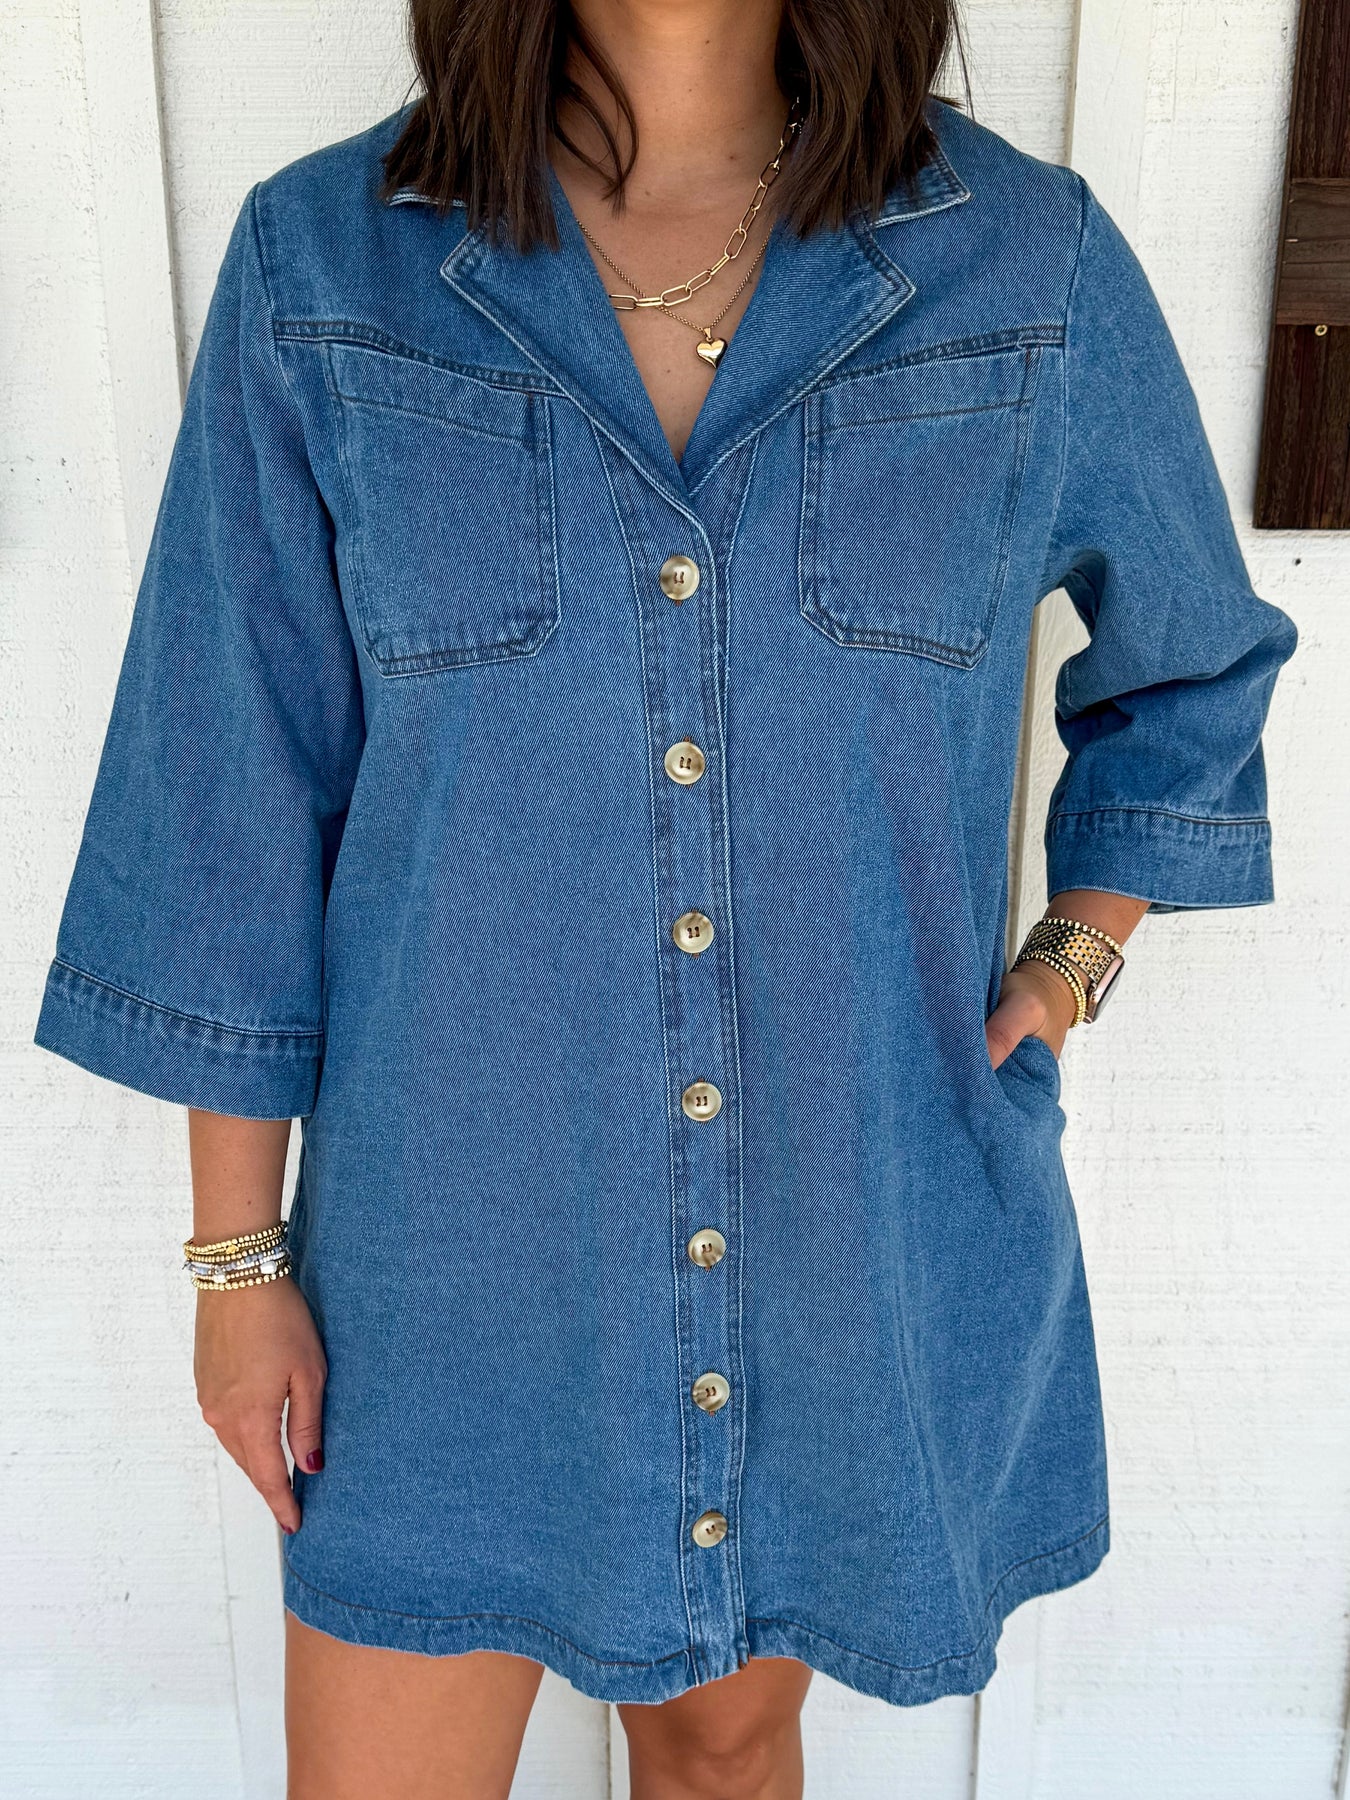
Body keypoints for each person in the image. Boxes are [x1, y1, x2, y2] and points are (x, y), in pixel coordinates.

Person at [34, 0, 1298, 1794]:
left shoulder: (1024, 263)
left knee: (723, 1754)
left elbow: (1188, 664)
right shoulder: (325, 265)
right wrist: (237, 1262)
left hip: (839, 1234)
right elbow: (227, 785)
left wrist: (1077, 950)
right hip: (448, 1258)